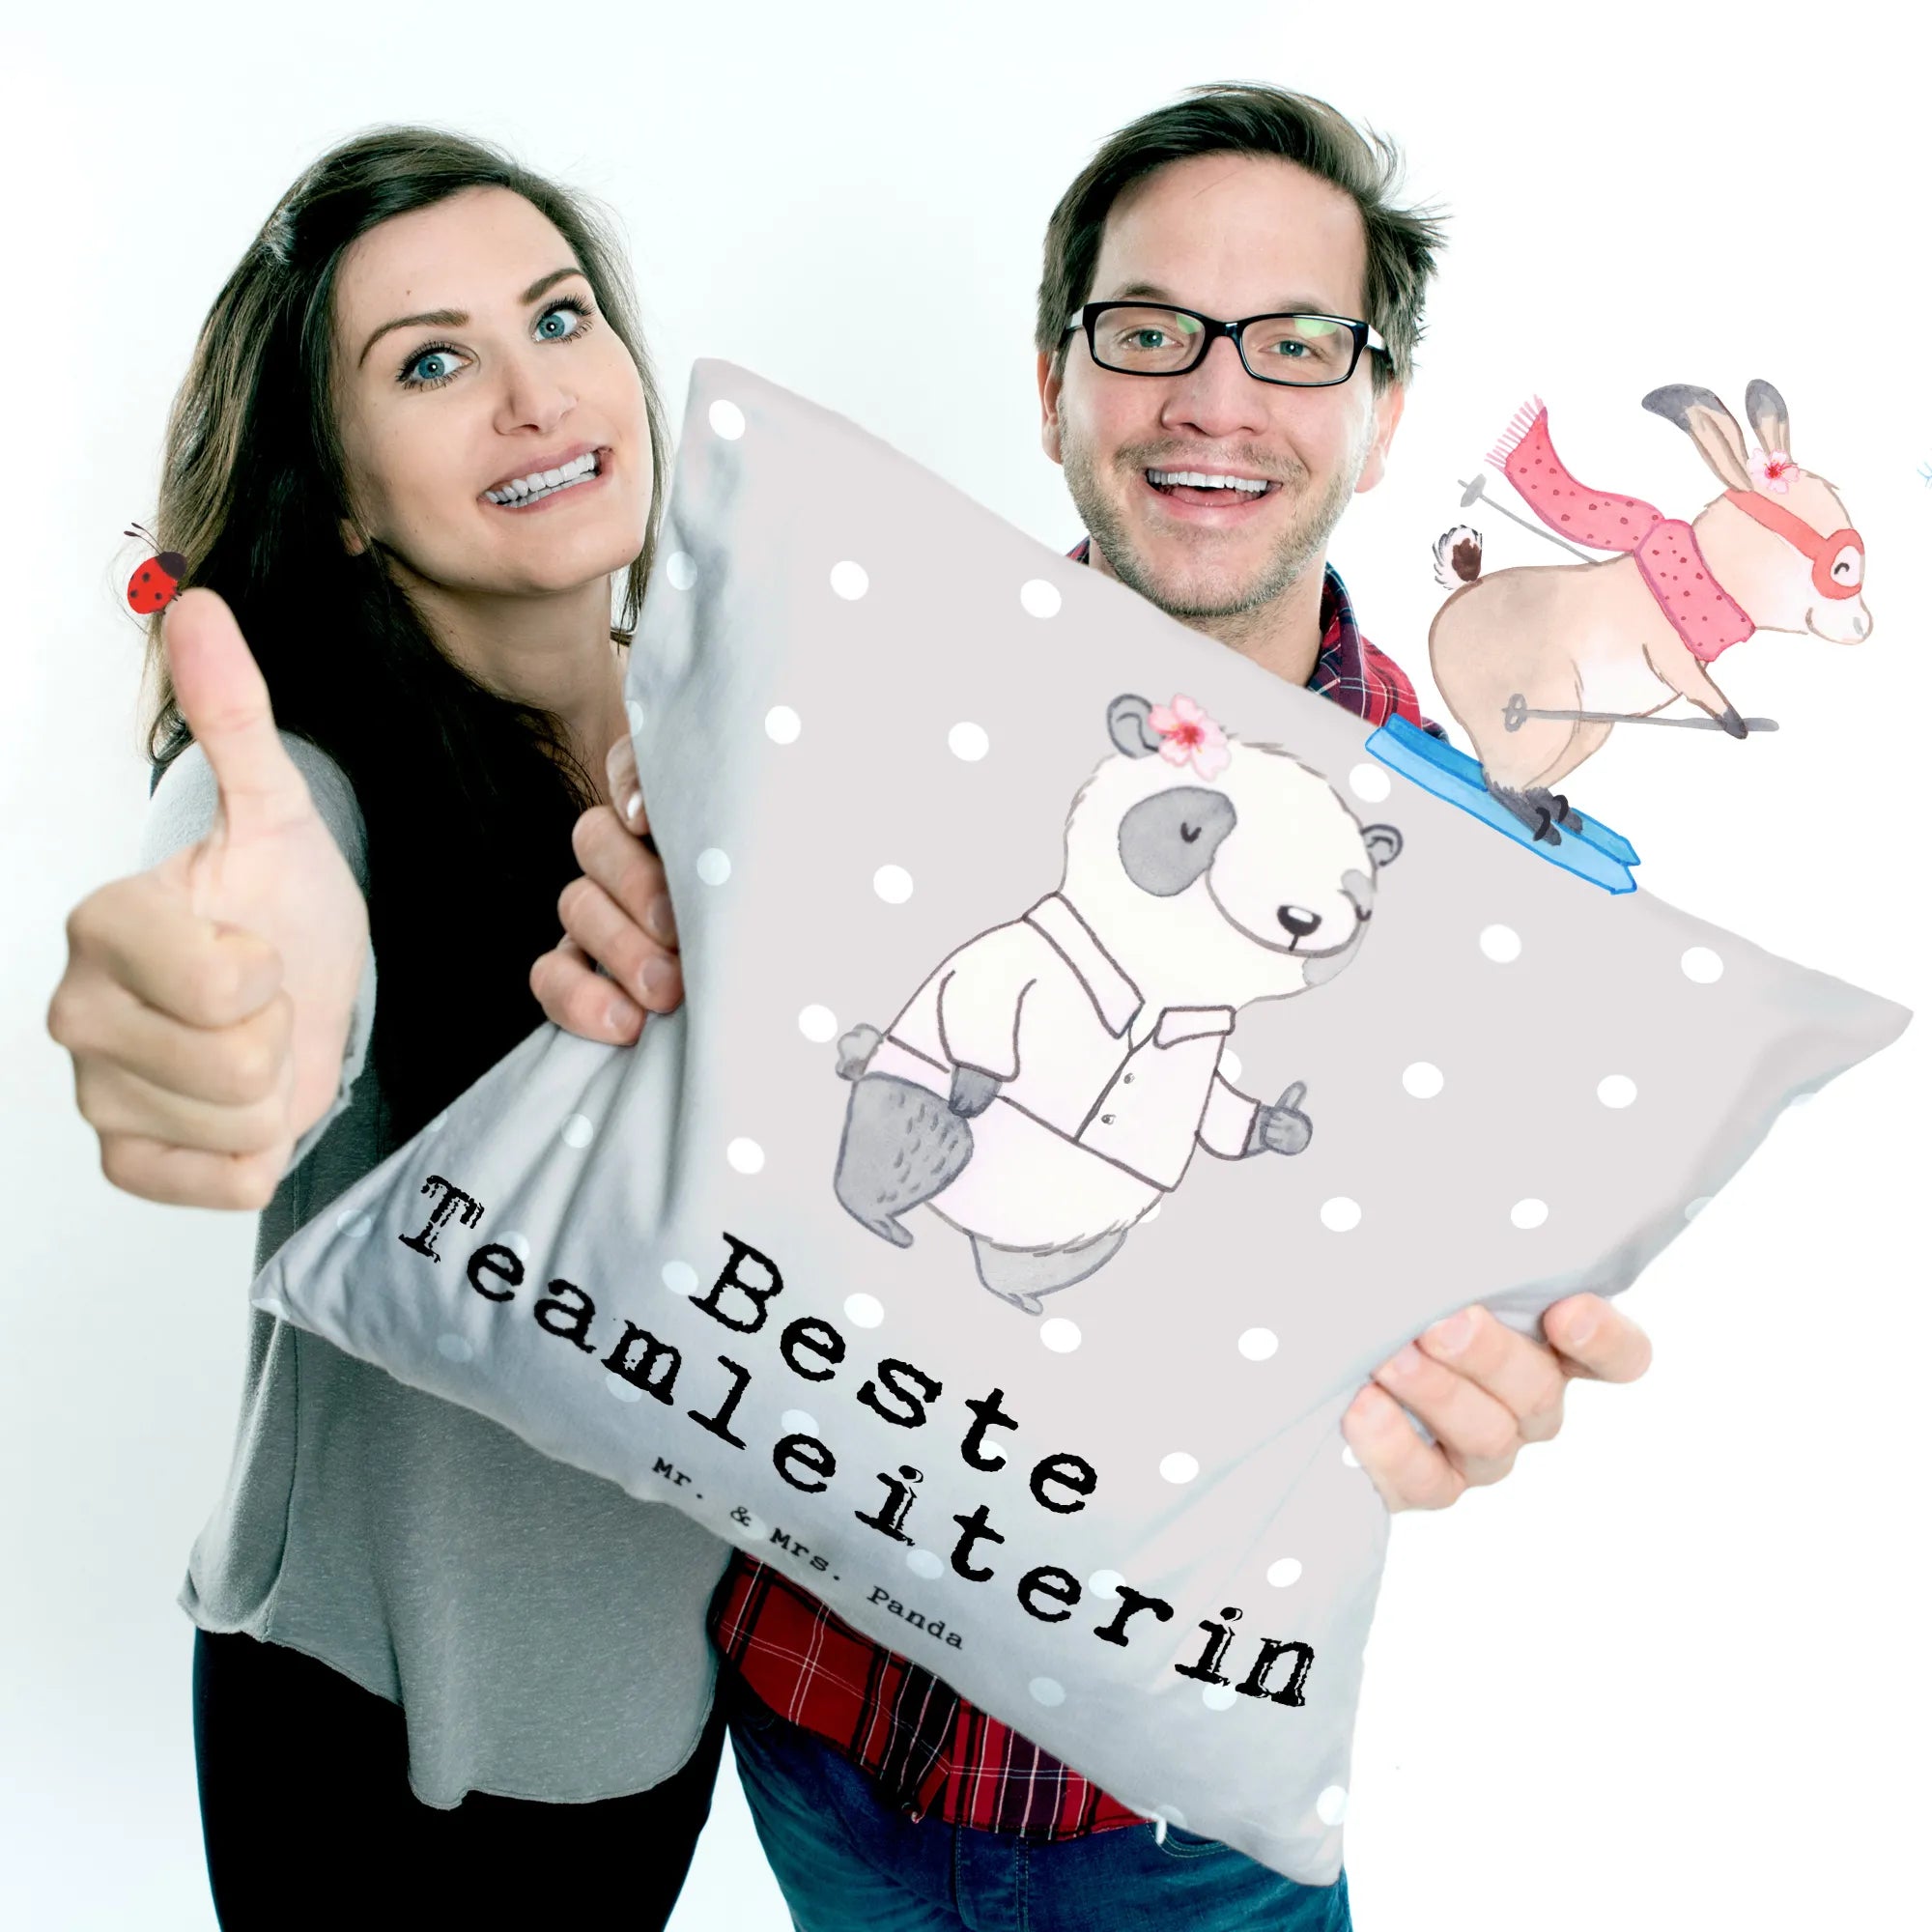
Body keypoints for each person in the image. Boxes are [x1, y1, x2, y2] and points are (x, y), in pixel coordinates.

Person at [536, 84, 1656, 1929]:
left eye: (1297, 343)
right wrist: (630, 977)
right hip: (808, 1737)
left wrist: (1480, 1381)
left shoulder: (1485, 888)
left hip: (1182, 1821)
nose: (1216, 398)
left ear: (1380, 419)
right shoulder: (841, 709)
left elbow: (1456, 1318)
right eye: (1150, 332)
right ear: (1054, 383)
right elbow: (703, 1157)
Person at [44, 130, 728, 1928]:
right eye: (430, 363)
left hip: (662, 1710)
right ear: (342, 496)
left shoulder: (735, 744)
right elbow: (253, 903)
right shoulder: (308, 782)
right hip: (379, 1742)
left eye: (558, 318)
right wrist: (222, 1002)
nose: (533, 395)